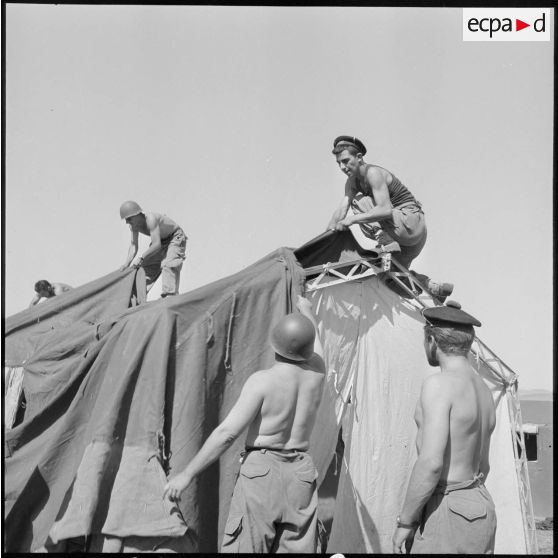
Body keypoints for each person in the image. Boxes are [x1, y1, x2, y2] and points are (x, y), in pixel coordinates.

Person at [163, 295, 326, 553]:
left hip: (262, 470)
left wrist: (187, 475)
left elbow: (227, 434)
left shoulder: (263, 381)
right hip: (301, 475)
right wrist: (307, 310)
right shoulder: (318, 372)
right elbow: (316, 343)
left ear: (275, 345)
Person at [392, 300, 497, 554]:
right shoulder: (483, 390)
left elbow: (431, 463)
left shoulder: (439, 385)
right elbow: (483, 465)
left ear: (431, 340)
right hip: (480, 502)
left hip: (449, 506)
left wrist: (406, 520)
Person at [327, 135, 453, 302]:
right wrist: (326, 239)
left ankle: (384, 239)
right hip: (408, 243)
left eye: (345, 161)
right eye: (339, 163)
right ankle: (433, 290)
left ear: (359, 157)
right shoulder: (351, 182)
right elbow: (341, 210)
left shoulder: (373, 173)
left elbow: (385, 209)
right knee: (389, 277)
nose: (342, 167)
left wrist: (352, 220)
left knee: (360, 201)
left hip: (409, 222)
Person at [119, 200, 187, 297]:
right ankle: (137, 299)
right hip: (160, 241)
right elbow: (133, 246)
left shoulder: (151, 219)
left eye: (129, 219)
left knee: (168, 264)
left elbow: (156, 244)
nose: (127, 222)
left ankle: (169, 295)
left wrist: (142, 257)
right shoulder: (133, 226)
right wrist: (126, 264)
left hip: (174, 237)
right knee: (144, 271)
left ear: (137, 215)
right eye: (126, 219)